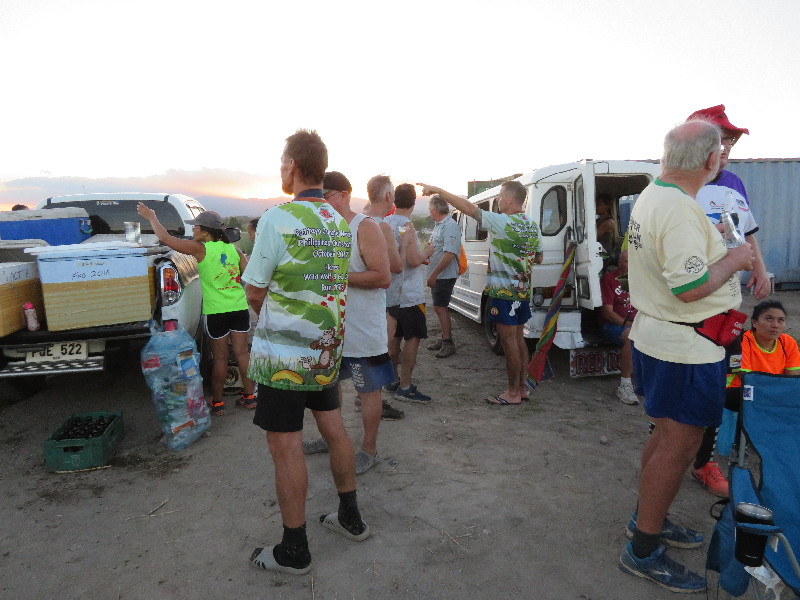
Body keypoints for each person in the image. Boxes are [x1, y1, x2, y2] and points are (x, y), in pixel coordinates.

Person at [618, 120, 755, 593]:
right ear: (710, 159)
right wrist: (736, 259)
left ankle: (646, 520)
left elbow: (672, 259)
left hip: (664, 338)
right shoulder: (677, 208)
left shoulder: (656, 195)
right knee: (678, 446)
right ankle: (642, 550)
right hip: (685, 348)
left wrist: (711, 240)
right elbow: (690, 286)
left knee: (665, 438)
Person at [242, 130, 369, 576]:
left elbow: (254, 291)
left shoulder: (278, 219)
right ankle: (350, 518)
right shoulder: (337, 221)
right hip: (325, 348)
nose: (281, 169)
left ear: (293, 166)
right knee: (334, 427)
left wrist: (267, 308)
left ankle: (294, 550)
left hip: (284, 357)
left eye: (282, 162)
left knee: (285, 446)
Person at [685, 104, 771, 498]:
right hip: (688, 305)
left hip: (726, 307)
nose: (727, 148)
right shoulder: (679, 186)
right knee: (688, 386)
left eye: (731, 141)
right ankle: (676, 449)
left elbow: (746, 231)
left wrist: (760, 268)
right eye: (721, 139)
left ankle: (704, 462)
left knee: (727, 381)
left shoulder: (734, 183)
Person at [301, 171, 398, 473]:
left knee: (367, 390)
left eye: (324, 196)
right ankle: (331, 438)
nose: (319, 204)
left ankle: (369, 449)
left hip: (362, 330)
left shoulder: (364, 227)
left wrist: (336, 277)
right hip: (330, 329)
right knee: (328, 386)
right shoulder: (322, 230)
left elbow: (383, 277)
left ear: (344, 195)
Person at [419, 181, 542, 405]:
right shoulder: (532, 225)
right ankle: (522, 388)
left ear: (510, 200)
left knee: (509, 343)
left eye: (501, 196)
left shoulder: (503, 222)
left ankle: (512, 393)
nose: (498, 201)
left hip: (504, 294)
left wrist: (440, 191)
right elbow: (539, 257)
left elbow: (468, 208)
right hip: (522, 292)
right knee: (518, 340)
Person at [136, 205, 256, 415]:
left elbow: (166, 239)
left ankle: (217, 404)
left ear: (206, 231)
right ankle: (250, 397)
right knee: (242, 353)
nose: (193, 230)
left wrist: (152, 217)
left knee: (220, 359)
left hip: (217, 312)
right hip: (239, 309)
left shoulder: (201, 249)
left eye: (196, 227)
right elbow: (249, 275)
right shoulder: (235, 250)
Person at [385, 182, 435, 402]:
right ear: (413, 203)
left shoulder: (386, 222)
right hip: (411, 295)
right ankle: (405, 387)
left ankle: (392, 379)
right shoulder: (406, 225)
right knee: (412, 338)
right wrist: (428, 252)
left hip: (392, 293)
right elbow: (414, 260)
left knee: (394, 338)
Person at [598, 248, 638, 405]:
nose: (630, 265)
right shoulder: (610, 279)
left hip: (636, 323)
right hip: (612, 325)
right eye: (626, 261)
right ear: (619, 262)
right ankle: (625, 385)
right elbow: (607, 313)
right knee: (630, 335)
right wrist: (631, 325)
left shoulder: (641, 279)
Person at [425, 194, 461, 358]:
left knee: (440, 307)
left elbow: (449, 254)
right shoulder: (439, 225)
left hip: (444, 275)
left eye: (430, 209)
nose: (429, 212)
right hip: (439, 274)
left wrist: (434, 274)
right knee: (439, 307)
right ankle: (444, 337)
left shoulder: (449, 225)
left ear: (435, 209)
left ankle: (448, 342)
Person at [737, 300, 800, 377]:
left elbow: (793, 378)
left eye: (780, 320)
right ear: (754, 322)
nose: (775, 325)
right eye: (769, 318)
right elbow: (746, 378)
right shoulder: (742, 341)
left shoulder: (787, 342)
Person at [595, 193, 620, 259]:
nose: (596, 207)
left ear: (607, 206)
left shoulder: (608, 223)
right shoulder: (597, 221)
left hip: (604, 256)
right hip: (598, 253)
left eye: (599, 204)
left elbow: (594, 238)